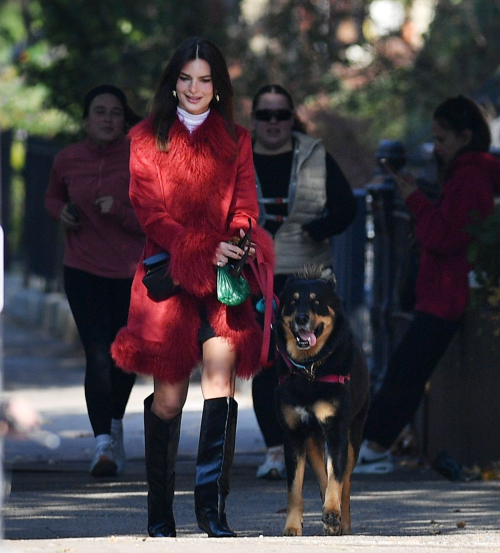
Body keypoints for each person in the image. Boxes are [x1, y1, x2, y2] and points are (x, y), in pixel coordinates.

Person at [110, 37, 275, 538]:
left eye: (205, 79)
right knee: (168, 399)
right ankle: (160, 514)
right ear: (172, 82)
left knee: (221, 383)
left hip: (224, 281)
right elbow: (150, 214)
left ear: (218, 87)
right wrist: (203, 247)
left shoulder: (237, 139)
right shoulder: (144, 138)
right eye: (186, 78)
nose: (195, 88)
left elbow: (246, 203)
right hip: (170, 279)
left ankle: (212, 512)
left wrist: (241, 236)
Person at [354, 95, 500, 474]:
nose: (436, 147)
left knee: (408, 369)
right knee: (408, 368)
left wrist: (414, 199)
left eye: (443, 139)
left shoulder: (470, 174)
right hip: (441, 289)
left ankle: (375, 444)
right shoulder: (469, 171)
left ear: (465, 136)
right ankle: (374, 443)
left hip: (446, 291)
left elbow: (445, 236)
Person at [250, 84, 358, 480]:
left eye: (281, 115)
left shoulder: (315, 154)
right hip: (256, 275)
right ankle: (275, 451)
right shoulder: (237, 158)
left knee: (312, 362)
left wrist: (319, 228)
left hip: (308, 277)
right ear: (255, 120)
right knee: (264, 363)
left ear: (292, 118)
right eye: (265, 115)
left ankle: (316, 445)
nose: (274, 123)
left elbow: (347, 207)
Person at [45, 85, 144, 477]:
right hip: (82, 270)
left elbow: (154, 219)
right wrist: (61, 212)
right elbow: (52, 197)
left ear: (124, 119)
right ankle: (103, 442)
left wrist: (120, 210)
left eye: (115, 112)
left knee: (126, 357)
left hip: (130, 273)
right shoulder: (67, 158)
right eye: (99, 112)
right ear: (86, 120)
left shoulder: (140, 159)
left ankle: (114, 424)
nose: (107, 119)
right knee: (99, 355)